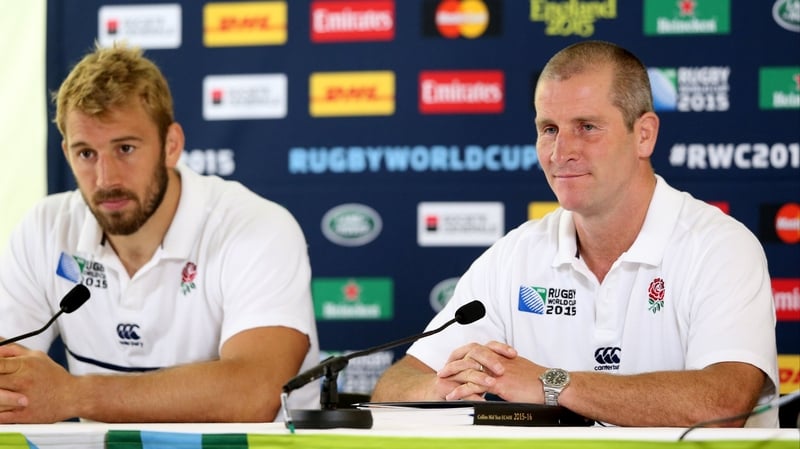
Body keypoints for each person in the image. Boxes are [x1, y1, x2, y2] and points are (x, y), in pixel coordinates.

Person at [371, 40, 779, 427]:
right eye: (548, 128)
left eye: (586, 127)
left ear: (644, 135)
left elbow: (724, 403)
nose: (560, 151)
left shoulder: (719, 246)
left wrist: (551, 383)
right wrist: (445, 385)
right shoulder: (515, 255)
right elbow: (393, 387)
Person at [0, 43, 320, 423]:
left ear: (171, 145)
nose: (106, 179)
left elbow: (255, 393)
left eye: (125, 148)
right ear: (67, 152)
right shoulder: (45, 228)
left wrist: (75, 396)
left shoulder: (255, 226)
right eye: (86, 153)